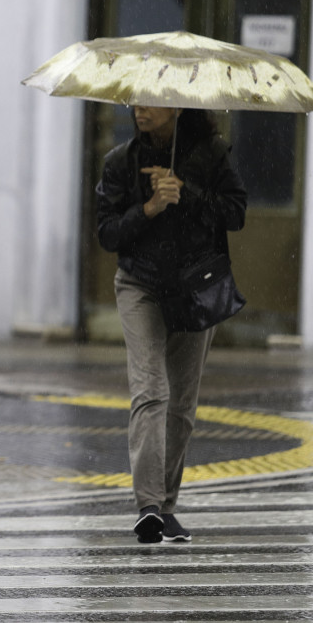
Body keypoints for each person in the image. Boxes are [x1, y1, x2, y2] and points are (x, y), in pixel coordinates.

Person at [96, 105, 246, 544]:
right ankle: (147, 507)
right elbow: (107, 234)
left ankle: (165, 505)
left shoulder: (212, 154)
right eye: (135, 100)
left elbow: (236, 214)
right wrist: (150, 207)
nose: (140, 108)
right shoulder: (120, 161)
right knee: (151, 391)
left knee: (181, 404)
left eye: (151, 100)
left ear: (176, 106)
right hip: (140, 286)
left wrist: (187, 193)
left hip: (194, 288)